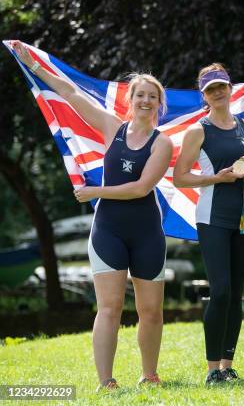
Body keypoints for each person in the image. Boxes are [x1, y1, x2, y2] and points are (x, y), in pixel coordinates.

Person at [11, 41, 173, 390]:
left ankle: (149, 374)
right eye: (140, 95)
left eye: (151, 96)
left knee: (151, 312)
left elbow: (141, 188)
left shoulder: (163, 144)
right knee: (110, 308)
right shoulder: (111, 127)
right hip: (108, 231)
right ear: (130, 101)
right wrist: (34, 65)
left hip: (147, 233)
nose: (145, 101)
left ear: (159, 104)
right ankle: (106, 381)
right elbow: (70, 92)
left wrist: (95, 191)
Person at [173, 63, 244, 385]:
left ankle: (227, 364)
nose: (218, 92)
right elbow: (180, 177)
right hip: (213, 218)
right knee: (221, 290)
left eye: (222, 86)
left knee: (236, 292)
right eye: (211, 89)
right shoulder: (198, 130)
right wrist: (216, 178)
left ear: (230, 87)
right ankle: (212, 369)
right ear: (204, 96)